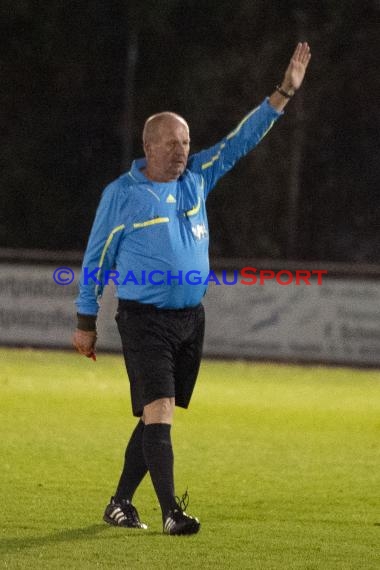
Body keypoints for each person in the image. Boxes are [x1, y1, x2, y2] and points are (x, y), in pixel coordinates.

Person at [73, 42, 311, 535]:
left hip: (189, 320)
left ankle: (119, 503)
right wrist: (84, 320)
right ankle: (170, 513)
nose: (183, 150)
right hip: (144, 320)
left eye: (185, 142)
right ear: (149, 147)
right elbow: (96, 259)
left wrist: (284, 92)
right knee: (159, 413)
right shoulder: (122, 196)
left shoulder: (198, 176)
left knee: (154, 419)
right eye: (172, 143)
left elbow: (241, 140)